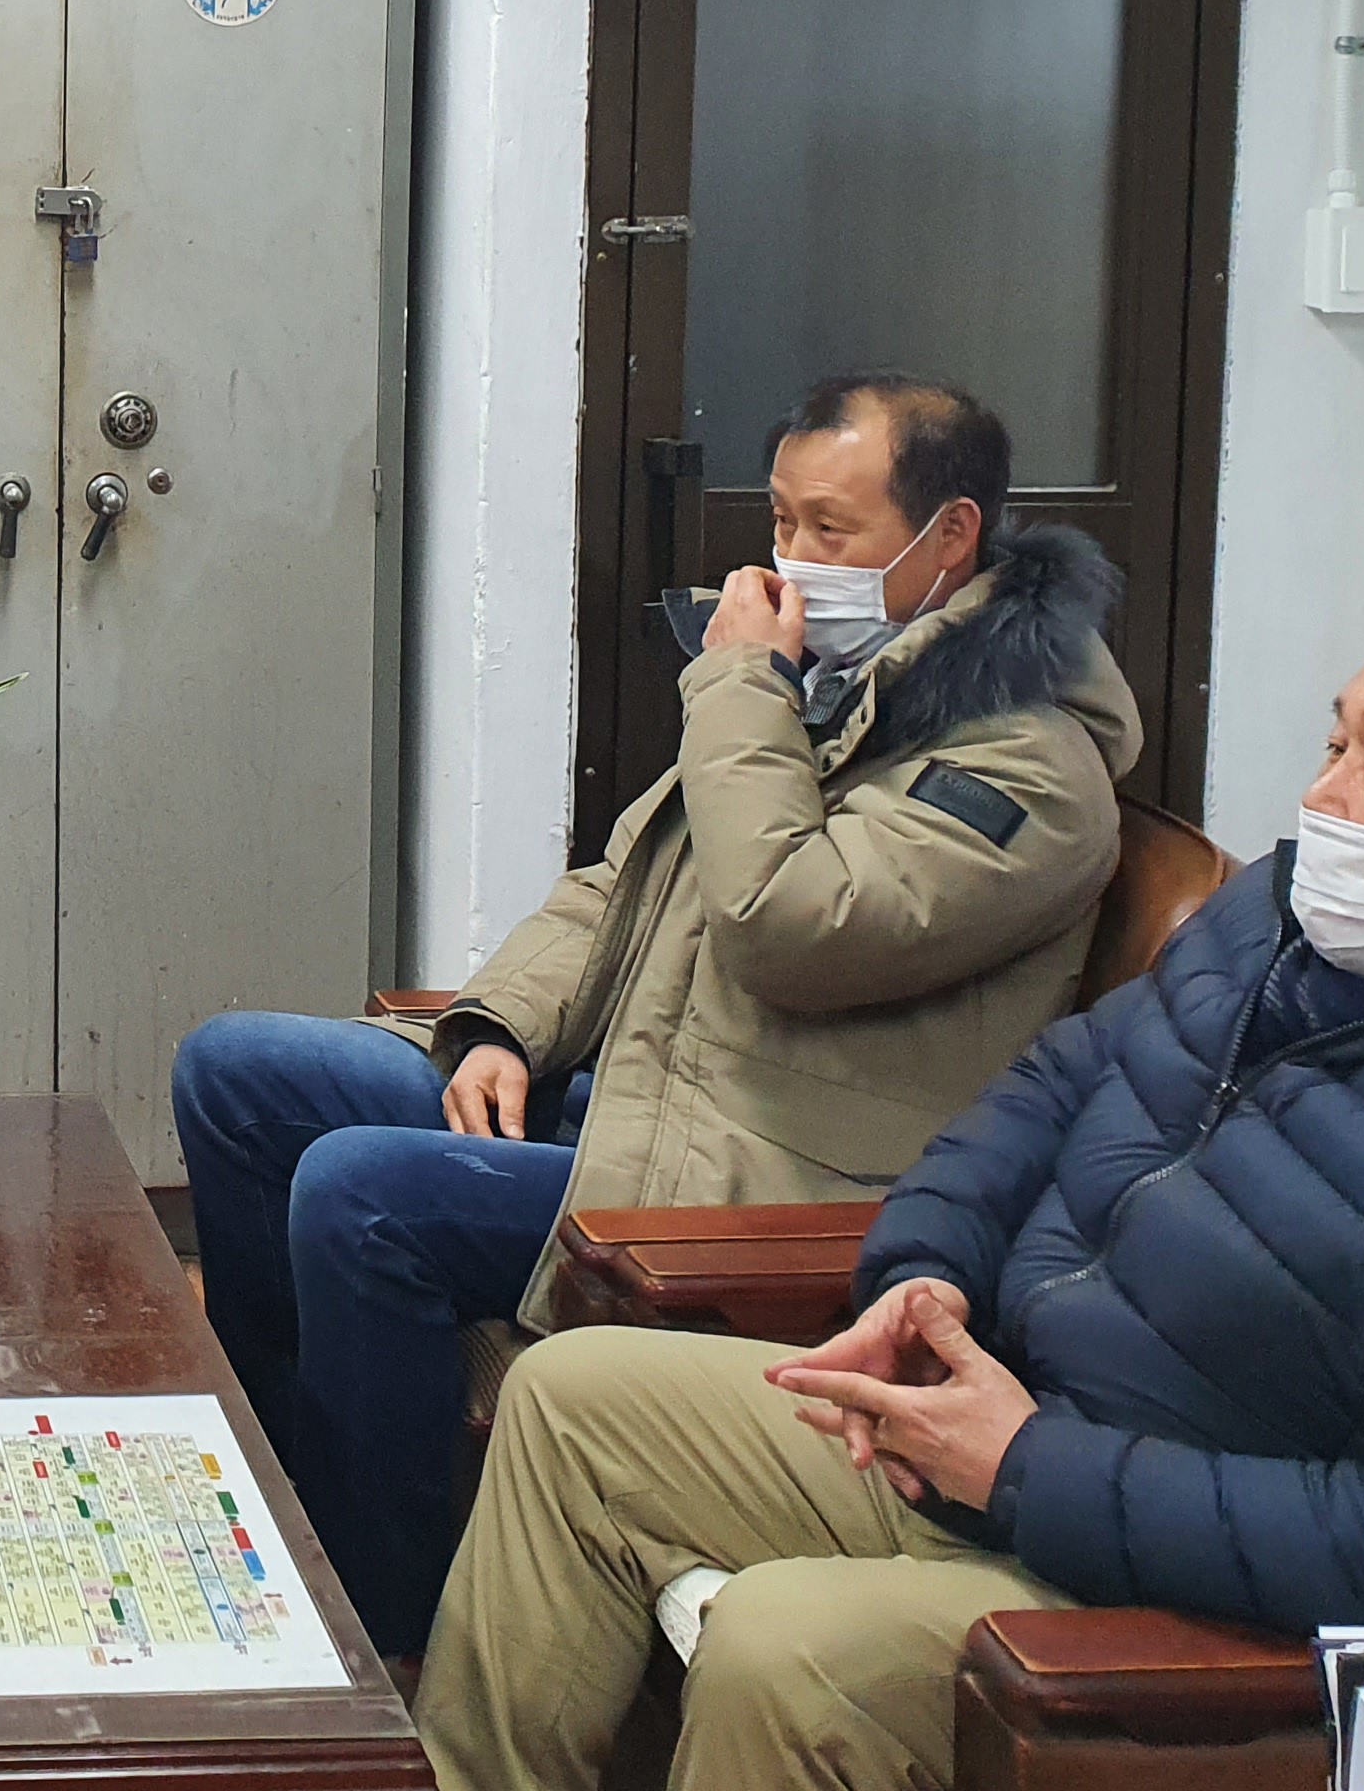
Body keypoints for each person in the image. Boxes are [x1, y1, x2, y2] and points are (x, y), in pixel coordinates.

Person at [421, 583, 1364, 1791]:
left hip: (1176, 1596)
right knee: (574, 1398)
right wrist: (927, 1270)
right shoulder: (1281, 928)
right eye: (1334, 743)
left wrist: (1031, 1467)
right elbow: (1053, 1083)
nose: (1324, 797)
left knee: (784, 1645)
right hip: (1001, 1426)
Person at [174, 372, 1132, 1659]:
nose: (790, 558)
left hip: (756, 1187)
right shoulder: (828, 684)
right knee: (236, 1074)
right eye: (780, 520)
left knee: (361, 1193)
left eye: (830, 528)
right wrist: (500, 1027)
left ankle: (382, 1625)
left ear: (950, 535)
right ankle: (289, 1498)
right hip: (636, 1099)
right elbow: (618, 883)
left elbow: (788, 923)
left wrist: (739, 687)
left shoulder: (1026, 768)